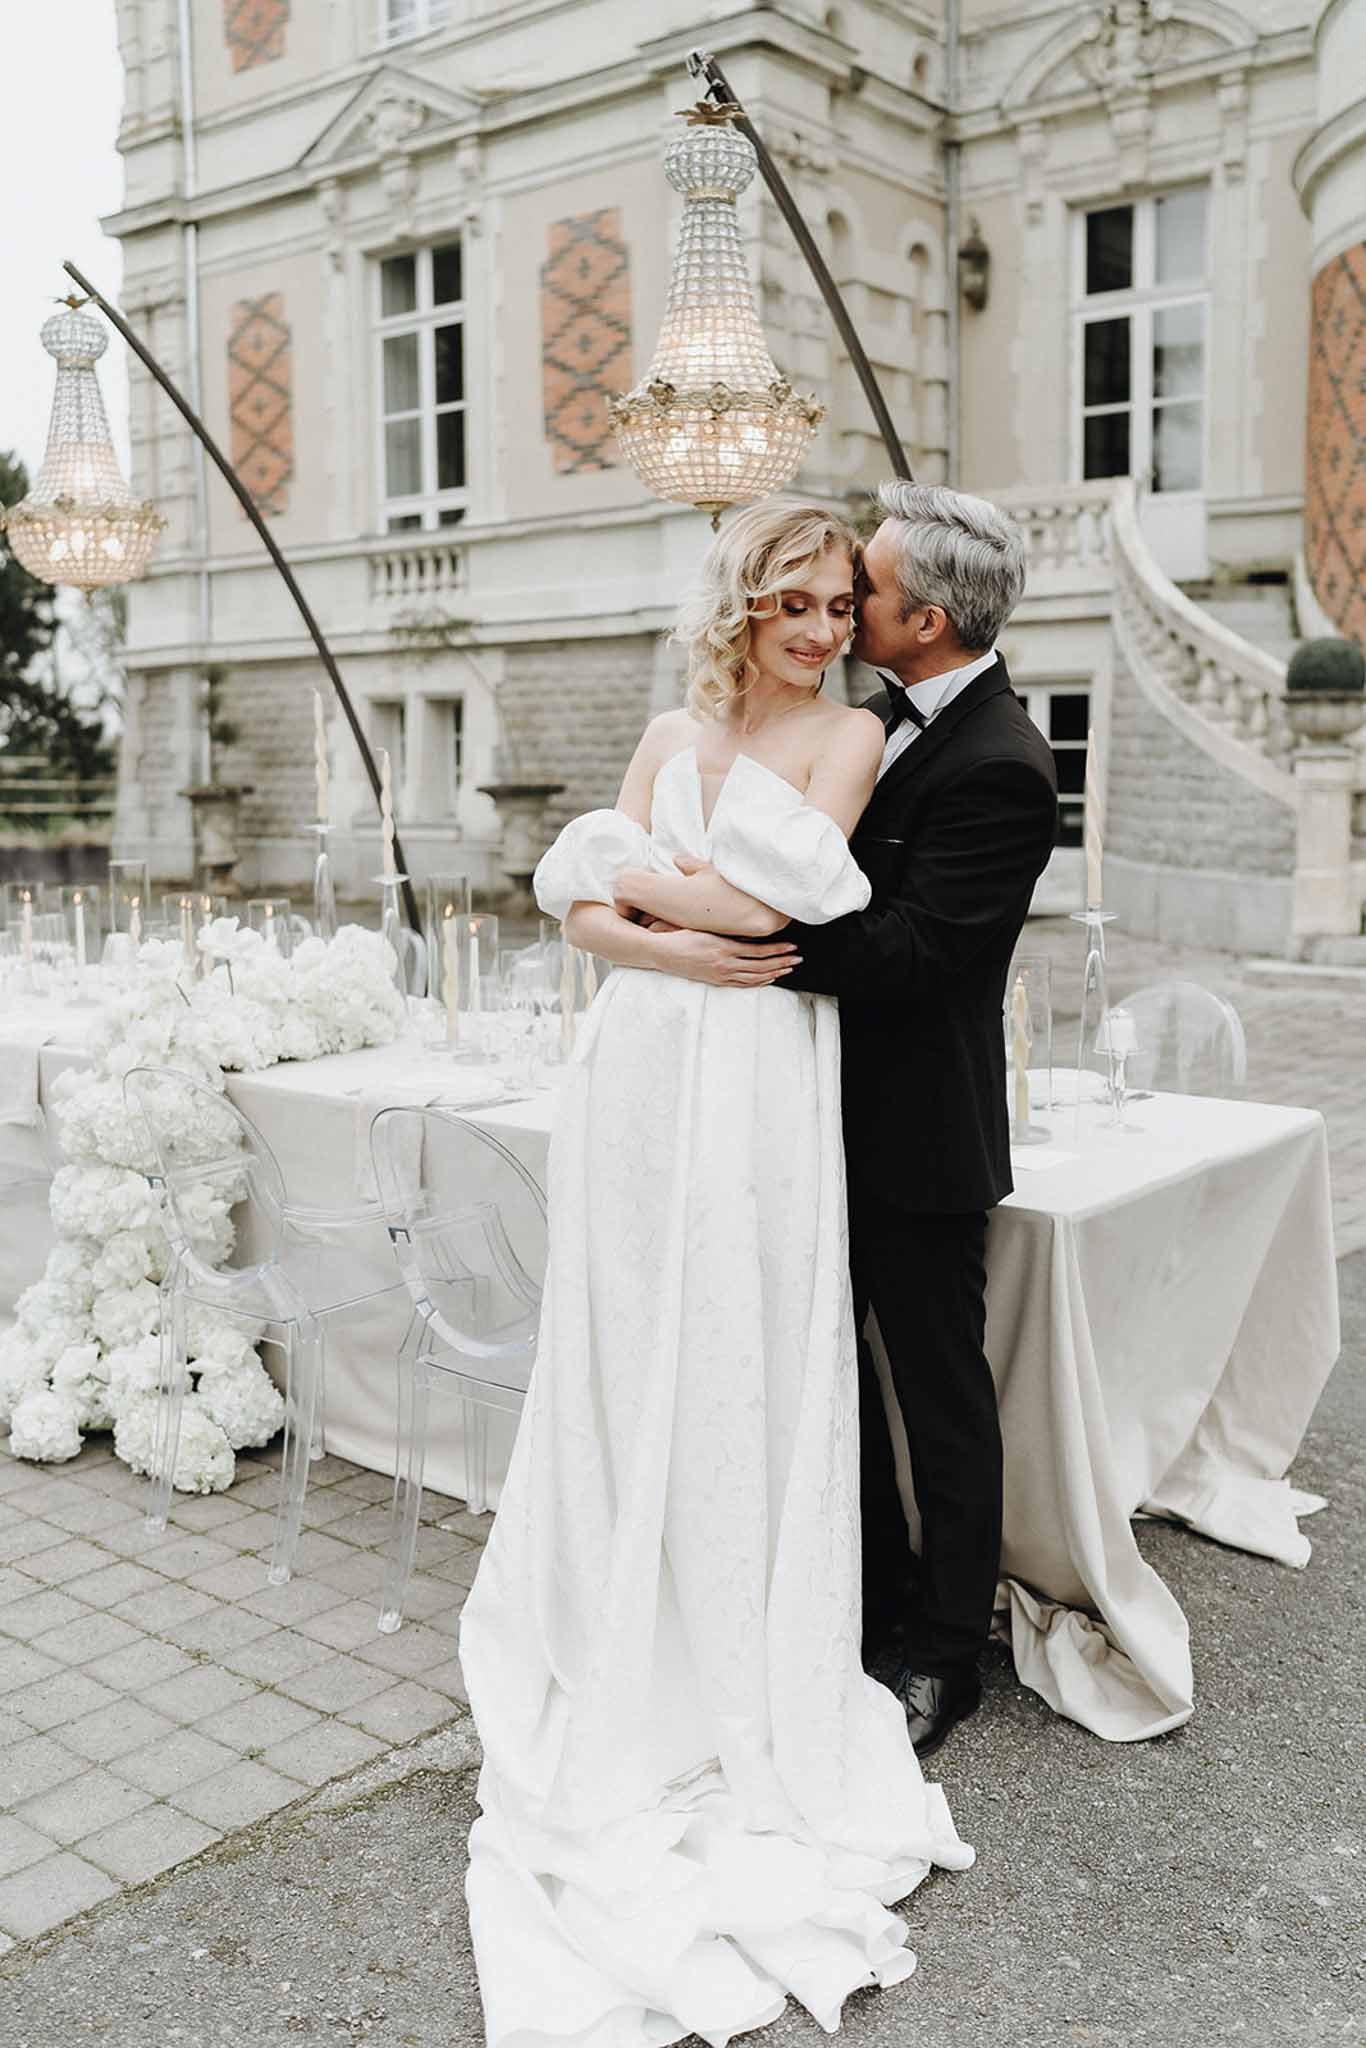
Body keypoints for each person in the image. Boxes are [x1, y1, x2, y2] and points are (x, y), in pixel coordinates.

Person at [458, 499, 972, 2048]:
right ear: (741, 604)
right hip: (640, 1068)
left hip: (756, 1079)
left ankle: (736, 1649)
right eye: (797, 606)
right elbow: (602, 917)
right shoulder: (669, 725)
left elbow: (770, 909)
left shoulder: (850, 740)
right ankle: (625, 1617)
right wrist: (661, 938)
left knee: (738, 1329)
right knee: (625, 1334)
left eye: (838, 607)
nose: (823, 631)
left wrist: (642, 904)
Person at [770, 482, 1059, 1759]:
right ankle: (869, 1603)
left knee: (940, 1400)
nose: (847, 605)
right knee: (827, 1375)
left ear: (926, 620)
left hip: (919, 1134)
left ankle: (947, 1651)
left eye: (865, 591)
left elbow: (912, 952)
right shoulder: (880, 715)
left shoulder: (1001, 763)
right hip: (807, 1119)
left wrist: (746, 932)